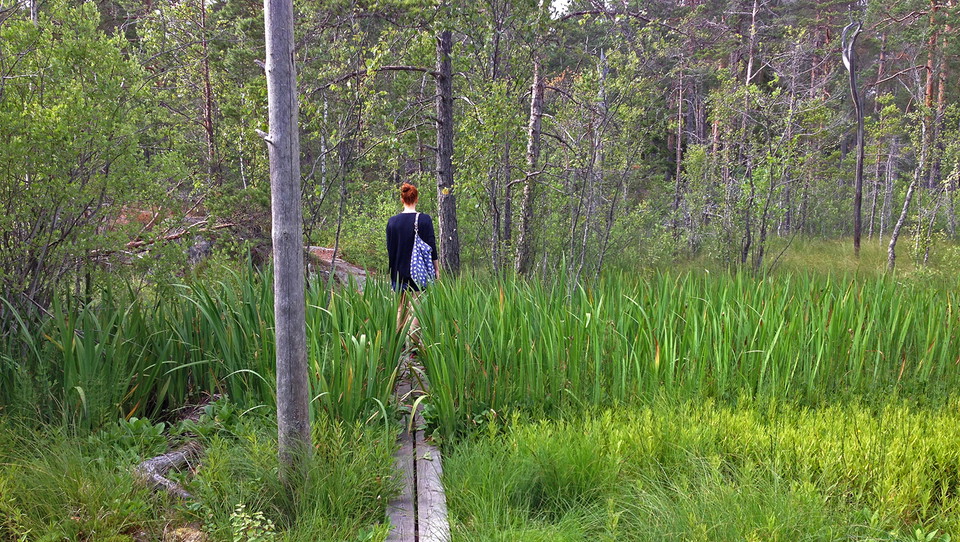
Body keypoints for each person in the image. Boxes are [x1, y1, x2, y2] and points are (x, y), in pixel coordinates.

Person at [386, 182, 439, 342]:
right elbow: (431, 247)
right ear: (416, 199)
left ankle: (400, 346)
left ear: (402, 200)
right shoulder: (424, 220)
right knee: (417, 308)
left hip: (397, 271)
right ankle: (413, 348)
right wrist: (436, 270)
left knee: (400, 308)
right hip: (419, 272)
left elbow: (390, 249)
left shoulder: (392, 222)